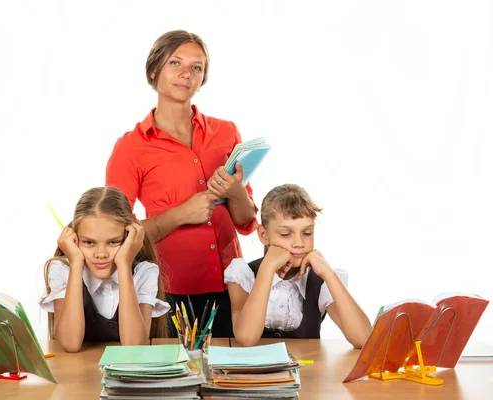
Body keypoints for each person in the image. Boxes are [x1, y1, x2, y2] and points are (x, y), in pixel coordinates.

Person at [106, 30, 258, 337]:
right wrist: (181, 214)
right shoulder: (131, 147)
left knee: (228, 378)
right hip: (167, 292)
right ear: (154, 70)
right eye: (175, 63)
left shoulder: (226, 133)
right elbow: (114, 234)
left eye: (197, 67)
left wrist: (235, 192)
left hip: (233, 287)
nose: (186, 73)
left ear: (203, 78)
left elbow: (246, 221)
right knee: (173, 380)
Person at [225, 184, 371, 348]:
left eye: (307, 233)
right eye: (286, 234)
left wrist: (328, 273)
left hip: (307, 371)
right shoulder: (243, 275)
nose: (299, 243)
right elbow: (246, 338)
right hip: (252, 373)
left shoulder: (319, 281)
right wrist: (267, 268)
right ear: (263, 235)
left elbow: (364, 339)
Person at [39, 187, 169, 352]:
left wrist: (124, 265)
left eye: (113, 242)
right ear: (74, 240)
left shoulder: (144, 272)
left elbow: (134, 346)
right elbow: (70, 344)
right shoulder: (63, 269)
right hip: (77, 375)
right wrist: (76, 264)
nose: (101, 254)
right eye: (88, 242)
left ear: (130, 238)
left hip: (126, 376)